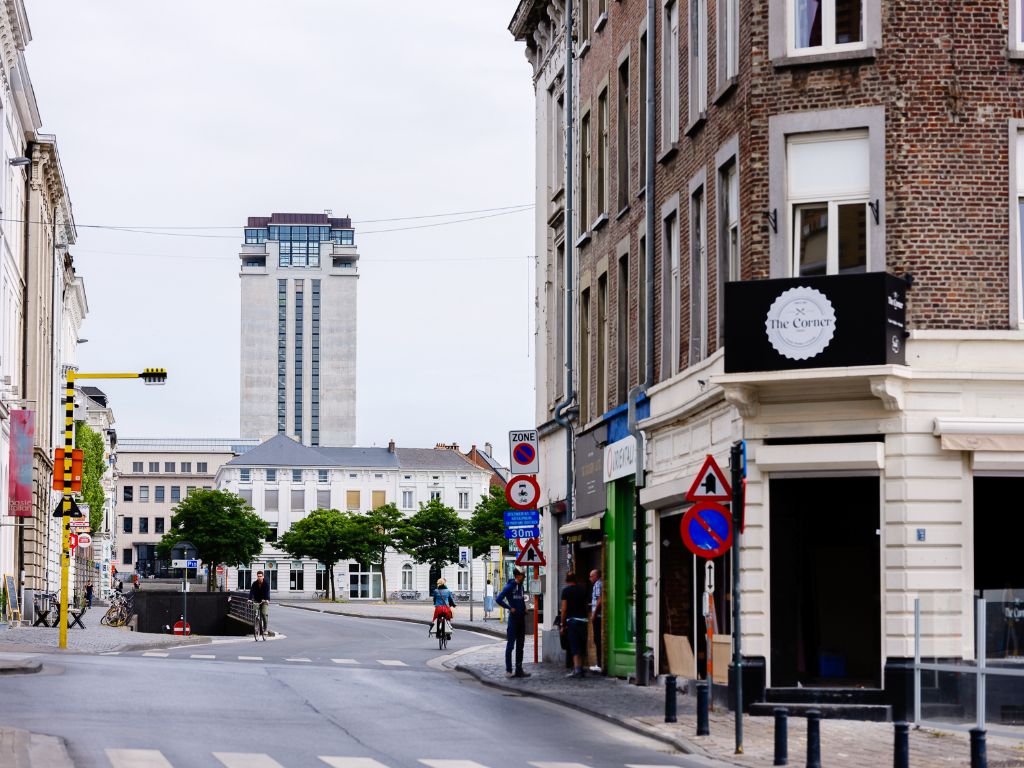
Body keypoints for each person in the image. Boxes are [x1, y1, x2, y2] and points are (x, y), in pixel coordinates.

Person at [495, 569, 530, 678]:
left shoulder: (521, 587)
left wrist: (524, 608)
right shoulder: (510, 586)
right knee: (510, 645)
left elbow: (521, 600)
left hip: (521, 619)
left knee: (521, 645)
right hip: (513, 620)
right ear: (517, 576)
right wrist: (510, 608)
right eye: (522, 575)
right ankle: (509, 670)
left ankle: (519, 670)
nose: (524, 577)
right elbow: (498, 599)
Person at [561, 571, 590, 678]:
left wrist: (562, 624)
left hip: (572, 621)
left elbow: (564, 609)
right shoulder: (583, 590)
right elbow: (586, 605)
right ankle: (581, 668)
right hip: (583, 621)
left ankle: (577, 669)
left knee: (574, 645)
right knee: (582, 644)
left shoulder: (566, 591)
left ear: (566, 580)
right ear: (575, 579)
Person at [249, 569, 271, 640]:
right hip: (256, 600)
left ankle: (265, 629)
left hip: (264, 601)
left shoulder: (266, 584)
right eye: (258, 576)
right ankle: (256, 623)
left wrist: (267, 599)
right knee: (255, 611)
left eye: (260, 576)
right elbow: (251, 592)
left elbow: (267, 592)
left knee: (264, 614)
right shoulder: (254, 583)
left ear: (263, 576)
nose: (259, 577)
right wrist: (249, 599)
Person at [589, 569, 603, 673]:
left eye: (591, 576)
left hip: (598, 616)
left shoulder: (598, 584)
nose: (590, 579)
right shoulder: (599, 584)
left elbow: (600, 600)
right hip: (598, 616)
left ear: (596, 576)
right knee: (597, 639)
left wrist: (594, 614)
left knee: (597, 639)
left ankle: (600, 664)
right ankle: (599, 663)